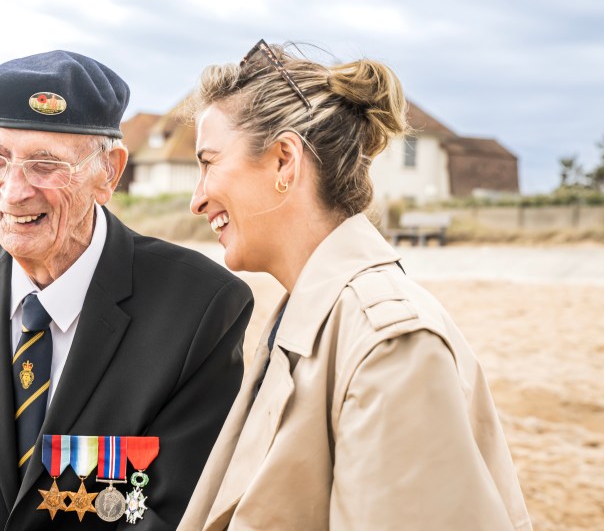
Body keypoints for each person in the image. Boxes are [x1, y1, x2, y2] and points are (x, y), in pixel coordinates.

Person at [0, 51, 254, 530]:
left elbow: (173, 518)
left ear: (108, 173)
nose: (13, 191)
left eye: (45, 164)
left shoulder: (202, 308)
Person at [178, 40, 532, 530]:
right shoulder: (309, 314)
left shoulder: (388, 344)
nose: (196, 200)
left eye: (209, 162)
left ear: (285, 161)